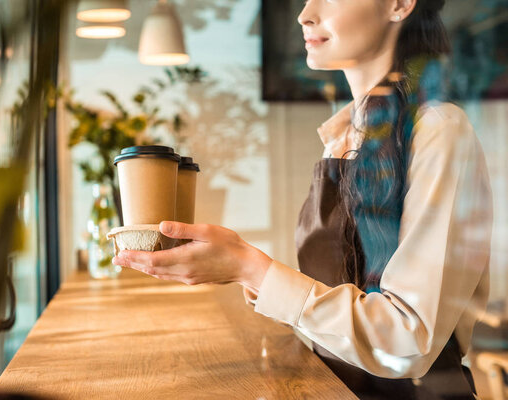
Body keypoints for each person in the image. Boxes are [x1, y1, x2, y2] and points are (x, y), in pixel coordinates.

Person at [112, 0, 493, 398]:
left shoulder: (438, 130)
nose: (305, 14)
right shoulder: (345, 134)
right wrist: (238, 270)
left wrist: (251, 268)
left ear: (399, 4)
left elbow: (407, 342)